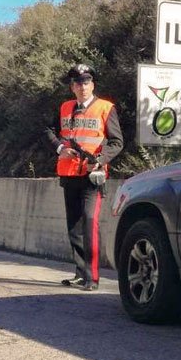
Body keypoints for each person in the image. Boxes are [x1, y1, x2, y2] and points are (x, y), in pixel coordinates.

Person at [52, 63, 123, 291]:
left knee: (90, 222)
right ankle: (80, 273)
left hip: (93, 175)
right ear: (72, 86)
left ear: (92, 84)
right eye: (78, 83)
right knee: (74, 225)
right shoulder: (64, 107)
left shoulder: (105, 108)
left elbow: (117, 142)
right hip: (69, 173)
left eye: (86, 82)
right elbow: (49, 131)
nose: (82, 86)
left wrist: (100, 159)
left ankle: (92, 277)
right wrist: (59, 148)